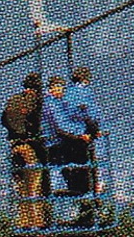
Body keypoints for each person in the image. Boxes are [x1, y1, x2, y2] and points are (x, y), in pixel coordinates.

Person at [1, 73, 47, 228]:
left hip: (15, 145)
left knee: (21, 184)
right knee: (35, 182)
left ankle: (24, 221)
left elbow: (4, 119)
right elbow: (39, 121)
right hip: (30, 145)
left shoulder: (13, 100)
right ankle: (38, 220)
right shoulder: (35, 101)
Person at [42, 75, 93, 199]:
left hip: (60, 142)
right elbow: (59, 127)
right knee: (79, 152)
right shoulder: (50, 104)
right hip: (54, 144)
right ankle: (81, 189)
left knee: (80, 151)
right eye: (61, 89)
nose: (63, 92)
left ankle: (82, 188)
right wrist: (79, 137)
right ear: (53, 88)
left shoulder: (57, 103)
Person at [64, 66, 104, 196]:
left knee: (74, 163)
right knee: (87, 163)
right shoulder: (85, 93)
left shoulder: (67, 93)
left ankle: (75, 187)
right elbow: (90, 114)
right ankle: (89, 190)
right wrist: (95, 130)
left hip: (68, 135)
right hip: (84, 134)